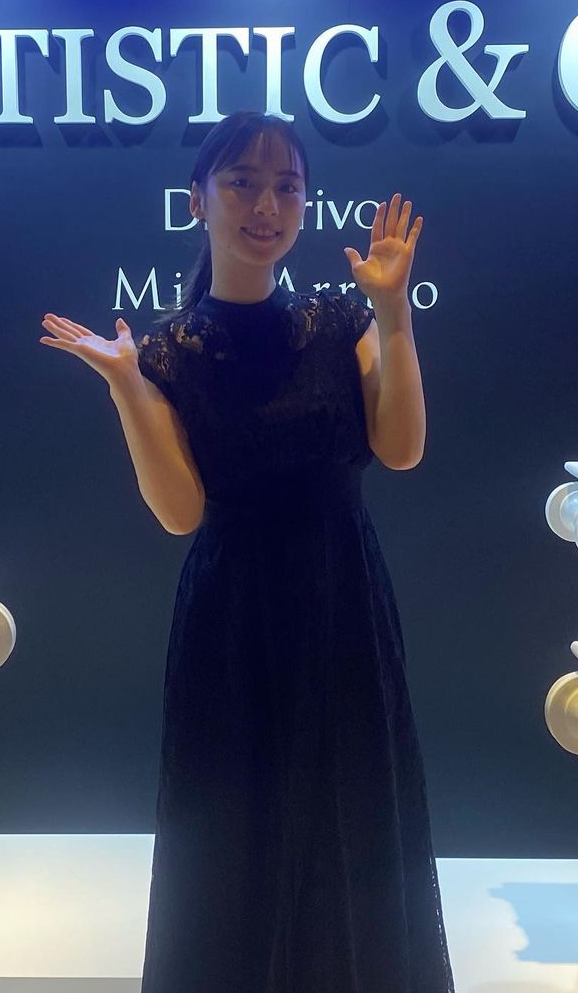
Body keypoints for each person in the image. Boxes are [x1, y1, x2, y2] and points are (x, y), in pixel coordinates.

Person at [40, 110, 454, 993]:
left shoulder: (339, 321)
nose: (266, 205)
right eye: (242, 183)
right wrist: (127, 387)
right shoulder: (168, 352)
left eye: (286, 187)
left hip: (343, 602)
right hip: (234, 620)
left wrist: (394, 311)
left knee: (354, 823)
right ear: (198, 200)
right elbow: (180, 513)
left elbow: (403, 448)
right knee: (230, 836)